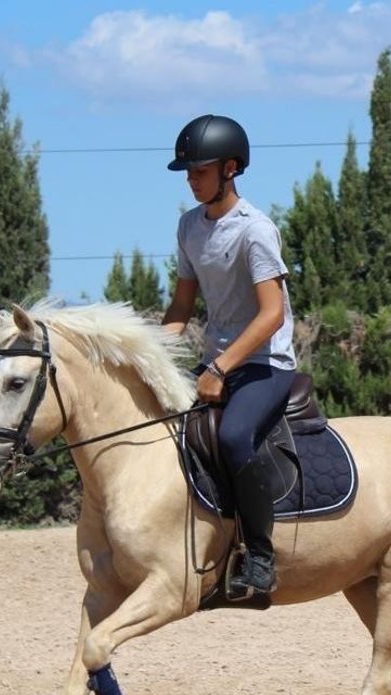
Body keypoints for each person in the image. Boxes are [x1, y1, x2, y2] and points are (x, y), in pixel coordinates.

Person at [162, 114, 297, 602]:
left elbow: (271, 315)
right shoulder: (188, 227)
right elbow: (181, 307)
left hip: (264, 364)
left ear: (231, 169)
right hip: (216, 360)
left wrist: (221, 368)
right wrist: (155, 358)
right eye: (188, 172)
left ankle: (260, 559)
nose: (191, 179)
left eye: (199, 170)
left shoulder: (255, 231)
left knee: (236, 436)